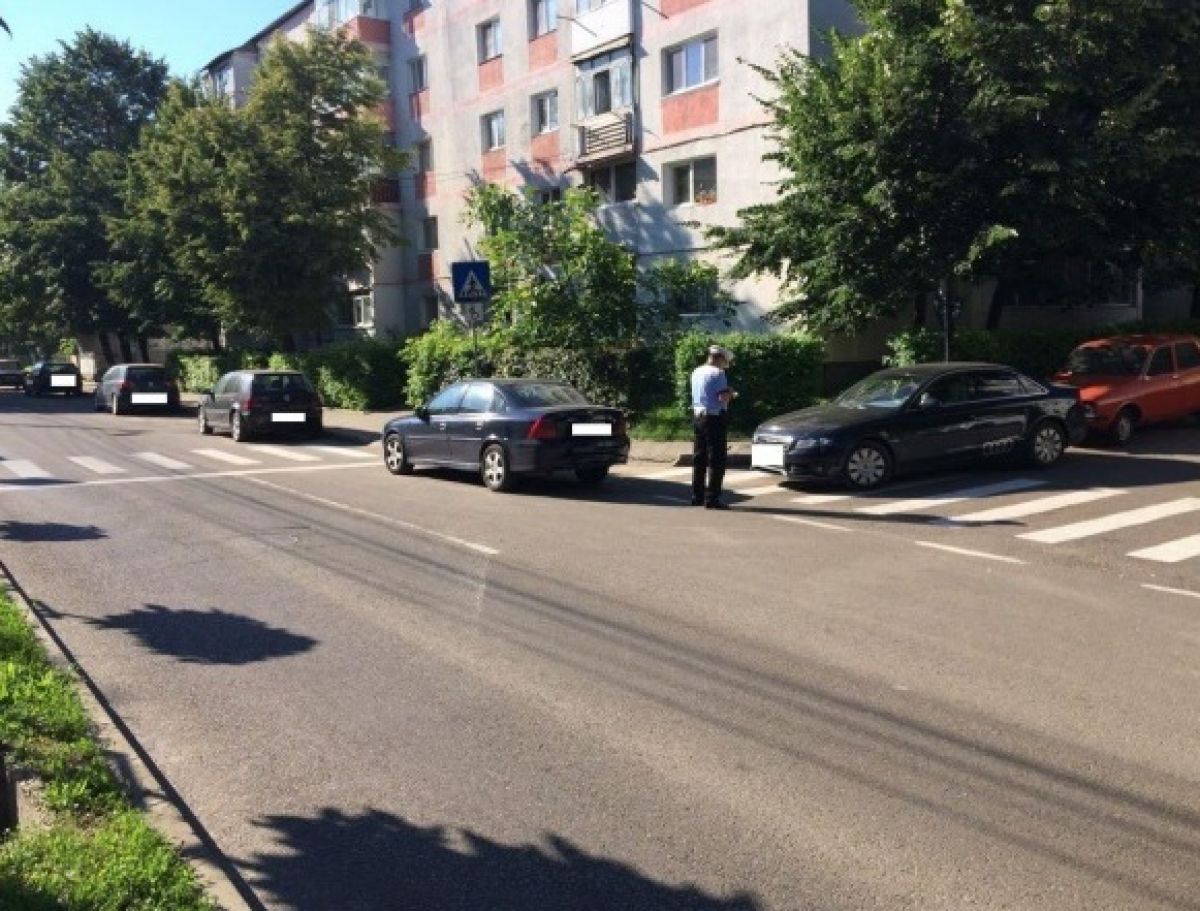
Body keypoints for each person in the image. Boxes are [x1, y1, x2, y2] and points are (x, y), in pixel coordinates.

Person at [690, 345, 736, 509]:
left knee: (699, 457)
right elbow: (722, 397)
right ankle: (712, 498)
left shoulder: (696, 371)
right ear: (720, 359)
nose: (725, 366)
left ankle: (697, 496)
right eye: (725, 362)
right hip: (714, 417)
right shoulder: (718, 373)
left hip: (698, 416)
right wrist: (731, 393)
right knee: (717, 458)